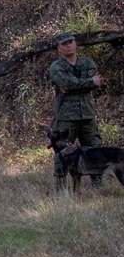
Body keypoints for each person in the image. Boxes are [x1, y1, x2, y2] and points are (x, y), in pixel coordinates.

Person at [49, 32, 104, 190]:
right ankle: (60, 188)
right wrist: (88, 82)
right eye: (64, 43)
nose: (68, 45)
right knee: (62, 152)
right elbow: (66, 84)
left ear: (75, 43)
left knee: (95, 150)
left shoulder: (87, 63)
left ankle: (97, 186)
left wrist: (77, 85)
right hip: (66, 117)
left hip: (87, 114)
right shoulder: (57, 67)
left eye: (70, 42)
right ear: (59, 47)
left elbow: (97, 82)